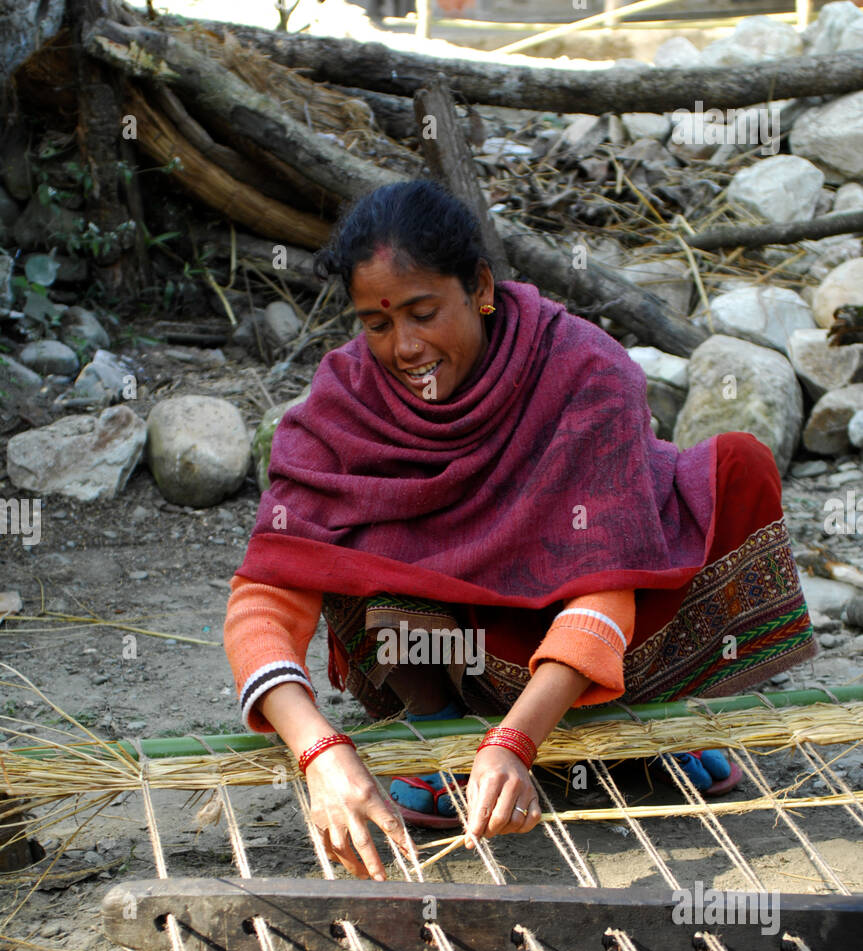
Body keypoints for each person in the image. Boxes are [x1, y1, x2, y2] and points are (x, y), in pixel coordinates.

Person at [224, 179, 817, 881]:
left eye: (422, 312)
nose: (404, 347)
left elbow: (607, 587)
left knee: (736, 467)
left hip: (609, 642)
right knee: (330, 549)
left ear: (479, 286)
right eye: (377, 324)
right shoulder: (342, 405)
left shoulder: (581, 369)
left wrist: (515, 741)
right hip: (453, 654)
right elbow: (264, 596)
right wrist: (319, 752)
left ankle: (644, 727)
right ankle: (441, 734)